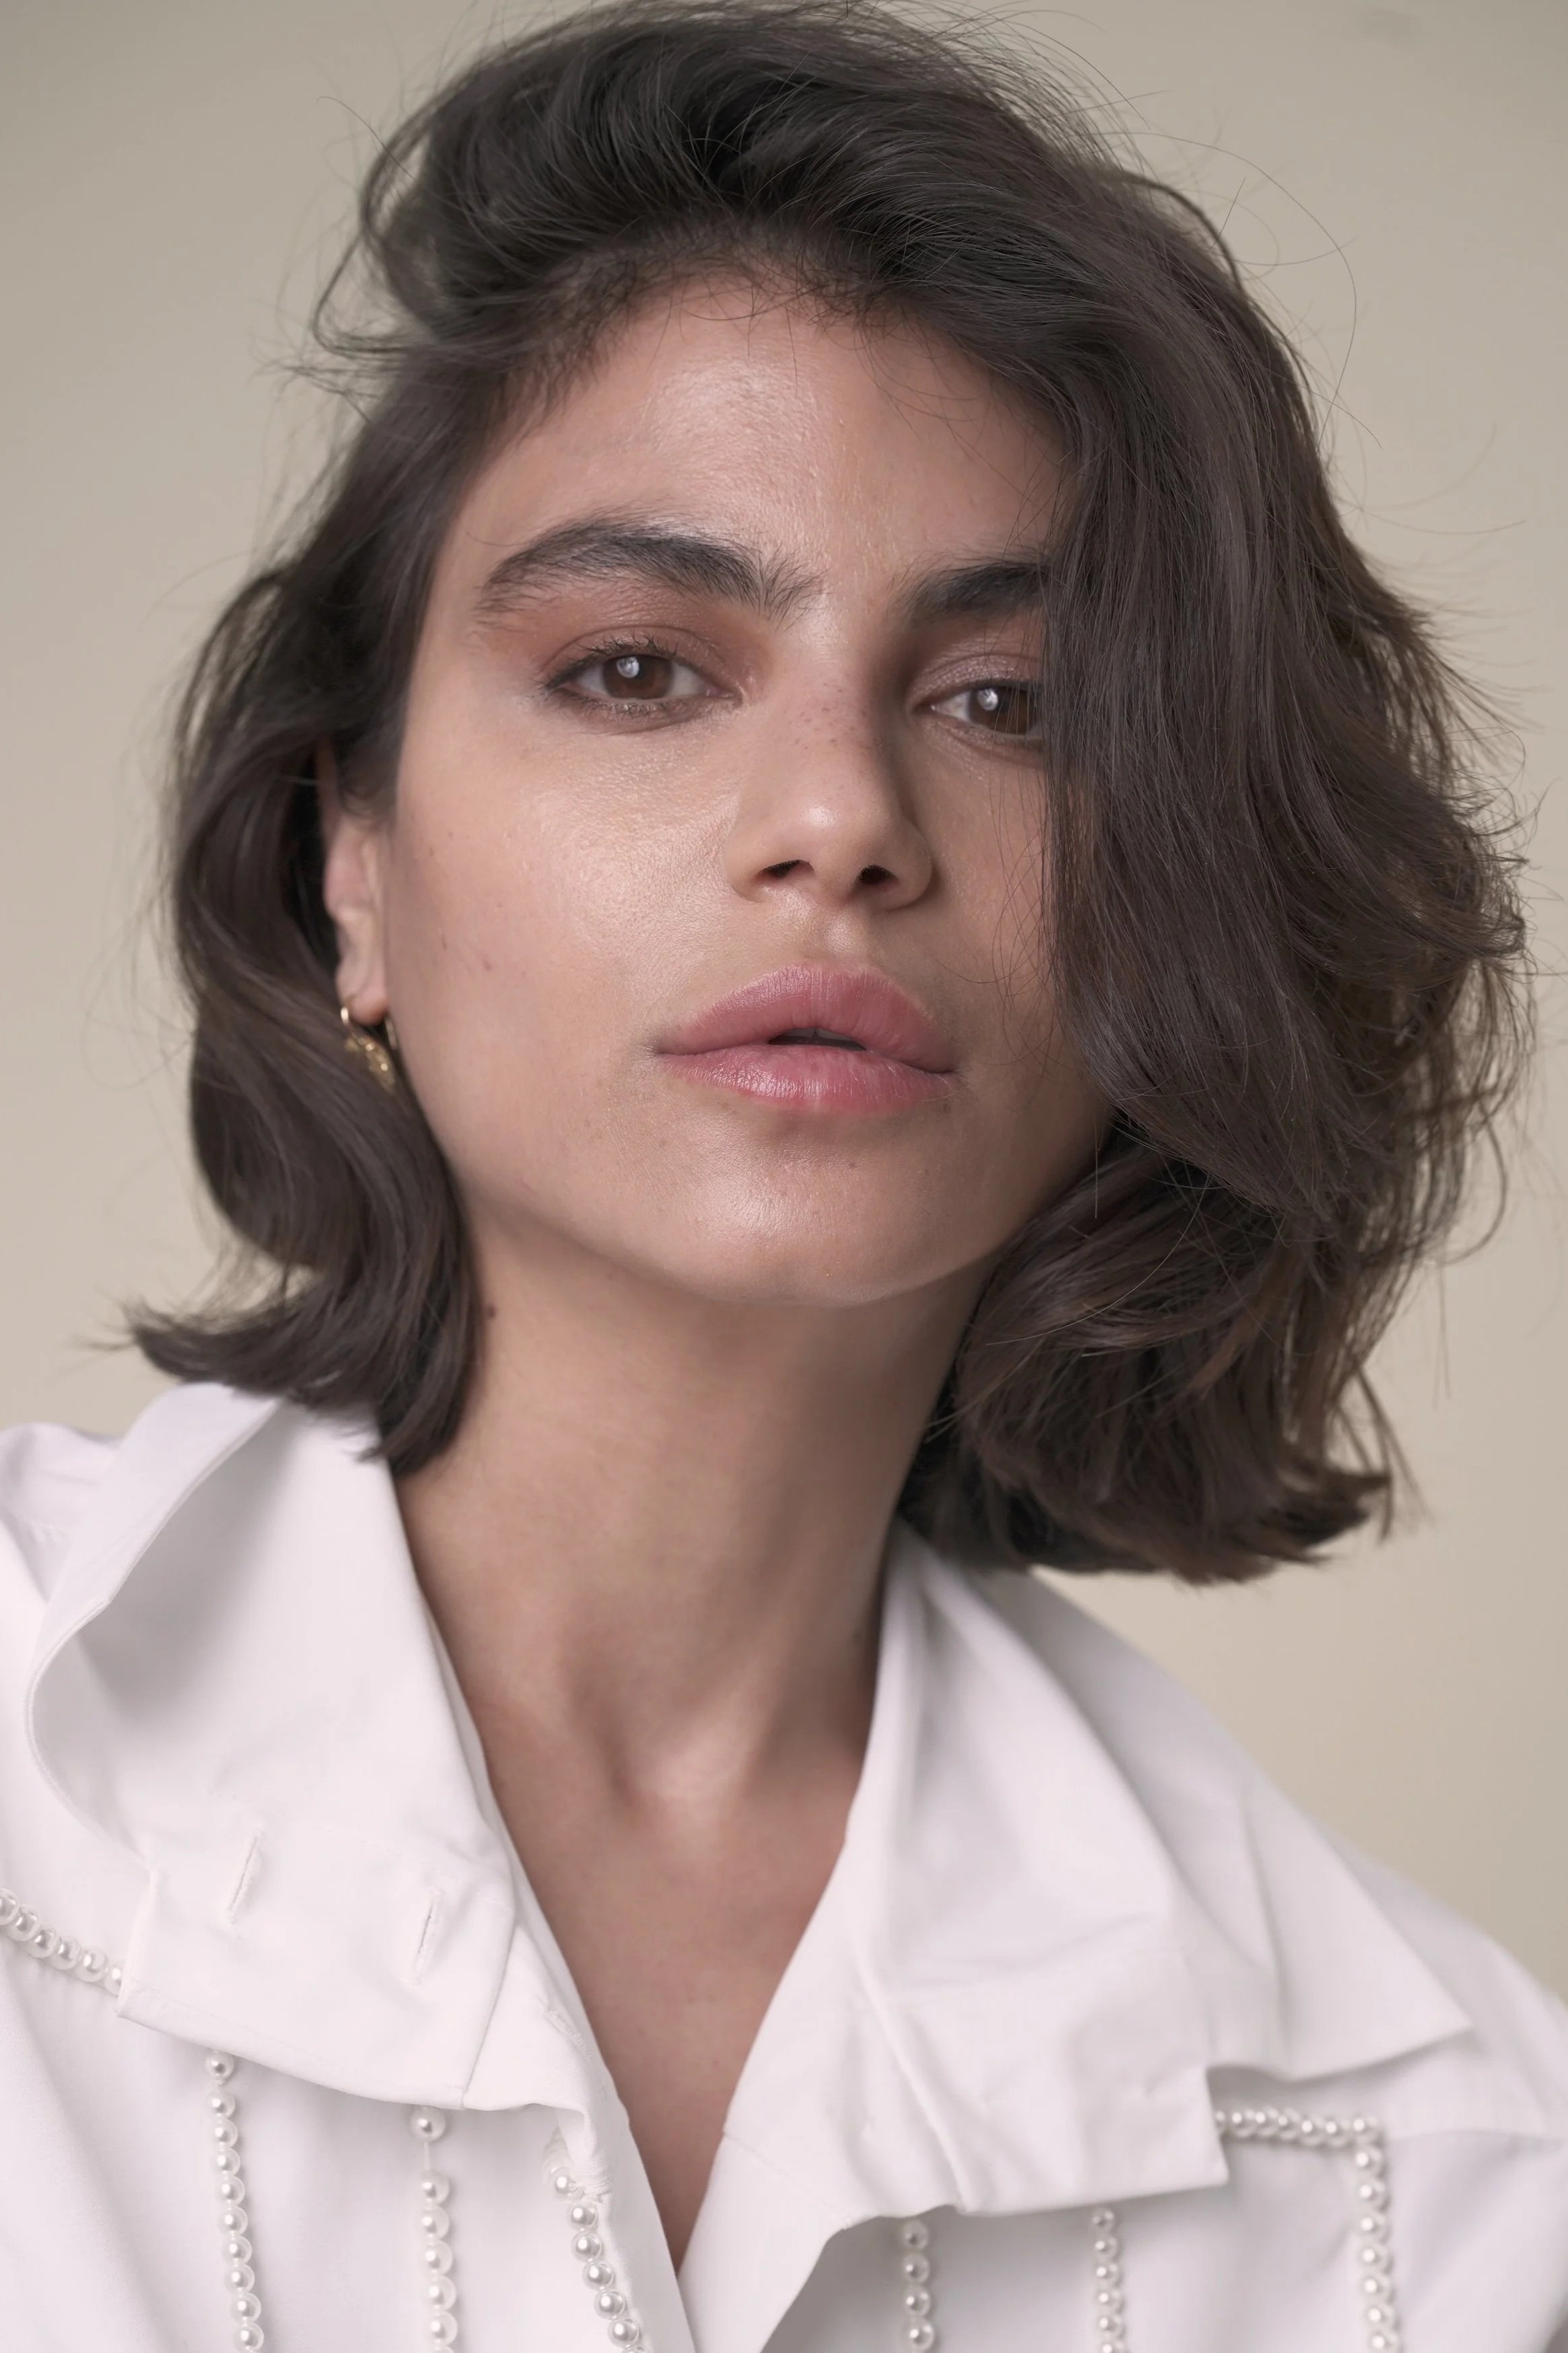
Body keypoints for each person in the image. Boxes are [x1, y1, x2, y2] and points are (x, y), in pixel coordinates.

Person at [1, 3, 1562, 2347]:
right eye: (639, 669)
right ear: (352, 865)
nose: (840, 817)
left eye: (1008, 705)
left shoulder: (1449, 2172)